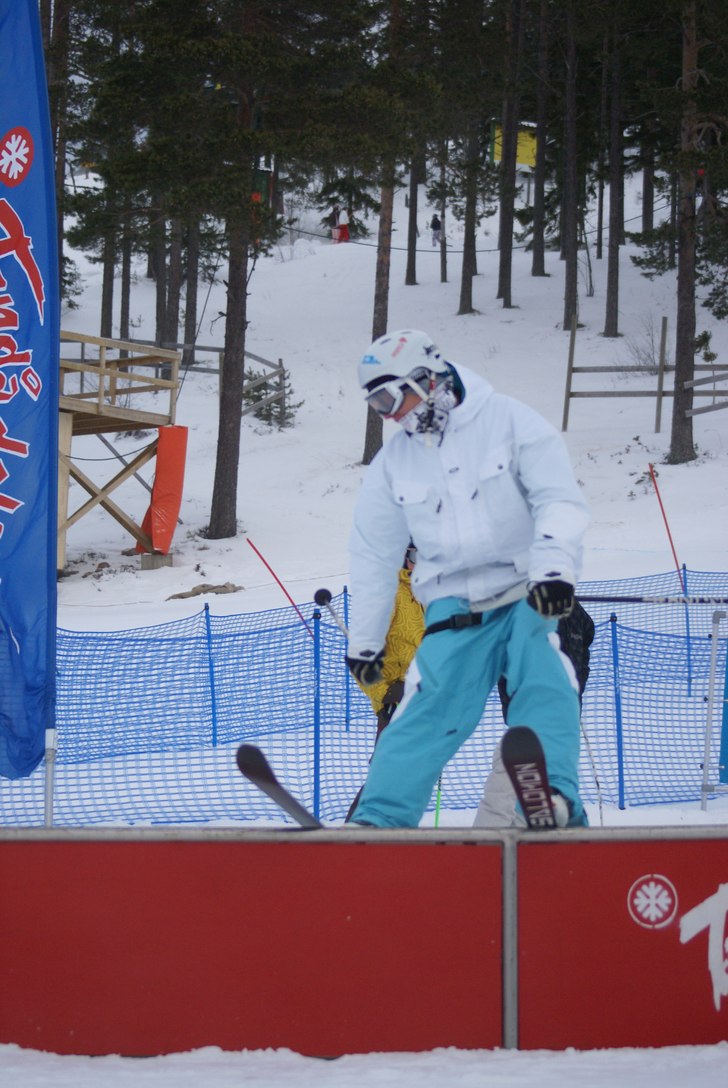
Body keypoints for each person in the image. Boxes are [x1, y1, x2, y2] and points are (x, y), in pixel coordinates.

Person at [345, 329, 591, 829]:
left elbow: (557, 497)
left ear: (426, 376)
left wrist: (553, 569)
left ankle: (551, 798)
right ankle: (379, 820)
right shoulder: (394, 462)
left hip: (527, 588)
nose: (388, 414)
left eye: (390, 397)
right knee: (426, 706)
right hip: (454, 603)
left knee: (541, 671)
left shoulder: (509, 421)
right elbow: (374, 553)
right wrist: (366, 640)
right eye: (375, 405)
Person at [474, 600, 595, 827]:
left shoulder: (576, 615)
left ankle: (550, 830)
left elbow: (585, 643)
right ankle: (489, 845)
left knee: (550, 785)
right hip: (528, 714)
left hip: (561, 715)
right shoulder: (520, 606)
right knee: (513, 783)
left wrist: (577, 687)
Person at [346, 542, 424, 820]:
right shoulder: (390, 594)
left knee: (411, 777)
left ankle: (390, 840)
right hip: (399, 699)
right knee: (388, 774)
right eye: (416, 555)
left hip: (428, 699)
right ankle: (355, 837)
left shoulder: (435, 596)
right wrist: (385, 694)